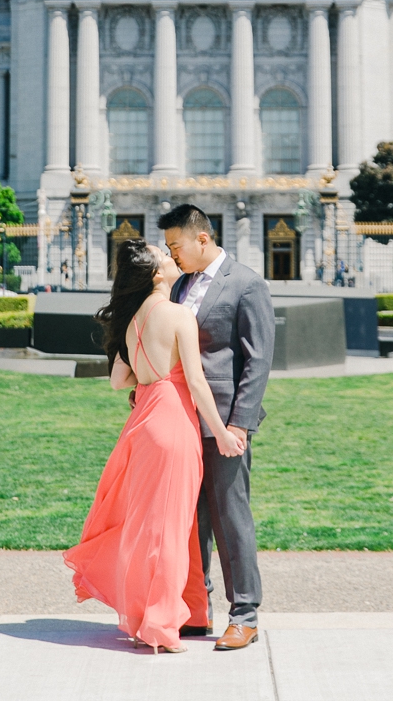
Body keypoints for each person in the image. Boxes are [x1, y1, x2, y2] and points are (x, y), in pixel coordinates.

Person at [63, 237, 245, 655]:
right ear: (156, 274)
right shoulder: (178, 314)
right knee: (170, 529)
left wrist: (151, 375)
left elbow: (118, 381)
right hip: (172, 423)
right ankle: (161, 625)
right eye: (165, 257)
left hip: (142, 422)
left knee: (148, 525)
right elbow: (197, 384)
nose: (172, 257)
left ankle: (155, 615)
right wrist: (221, 431)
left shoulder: (131, 322)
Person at [160, 203, 276, 652]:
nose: (172, 255)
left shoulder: (246, 284)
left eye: (176, 246)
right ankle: (196, 608)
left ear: (202, 239)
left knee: (230, 519)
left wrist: (240, 424)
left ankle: (244, 615)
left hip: (225, 424)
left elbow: (258, 360)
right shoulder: (181, 285)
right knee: (190, 520)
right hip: (182, 422)